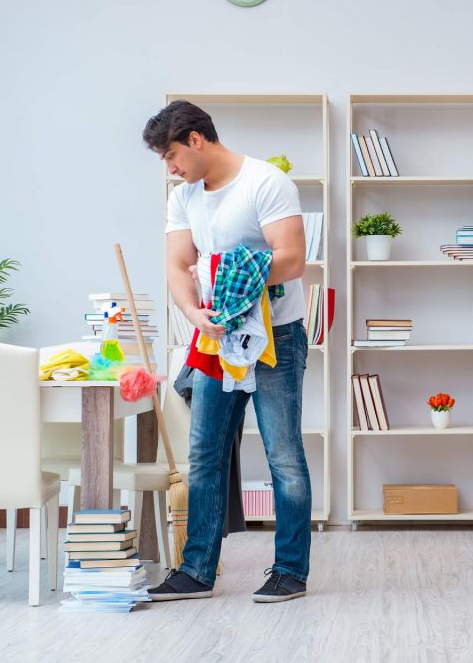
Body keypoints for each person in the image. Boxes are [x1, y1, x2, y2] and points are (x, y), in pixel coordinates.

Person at [142, 100, 312, 602]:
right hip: (215, 337)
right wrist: (195, 314)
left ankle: (290, 571)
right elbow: (177, 265)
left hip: (275, 335)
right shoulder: (184, 197)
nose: (170, 168)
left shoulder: (265, 183)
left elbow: (292, 259)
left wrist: (226, 282)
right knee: (205, 452)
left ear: (196, 140)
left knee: (282, 453)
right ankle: (196, 569)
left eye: (171, 155)